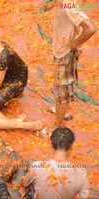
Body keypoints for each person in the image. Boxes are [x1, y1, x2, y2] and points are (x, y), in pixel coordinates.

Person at [50, 0, 96, 130]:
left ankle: (57, 125)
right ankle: (62, 112)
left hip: (64, 53)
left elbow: (91, 28)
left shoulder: (68, 4)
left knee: (62, 91)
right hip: (62, 47)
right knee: (62, 87)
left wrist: (75, 43)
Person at [22, 126, 90, 198]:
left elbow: (25, 184)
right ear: (71, 148)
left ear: (51, 147)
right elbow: (84, 196)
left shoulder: (37, 166)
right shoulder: (82, 172)